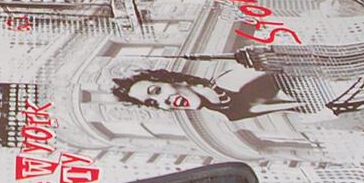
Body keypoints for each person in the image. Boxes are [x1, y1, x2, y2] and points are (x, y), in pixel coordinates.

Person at [110, 66, 298, 122]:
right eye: (152, 103)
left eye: (156, 90)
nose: (163, 101)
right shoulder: (227, 114)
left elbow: (292, 71)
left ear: (174, 80)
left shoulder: (231, 80)